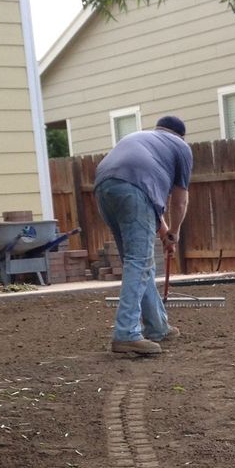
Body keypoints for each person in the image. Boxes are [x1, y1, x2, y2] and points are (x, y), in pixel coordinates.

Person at [93, 115, 193, 356]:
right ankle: (126, 333)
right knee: (139, 262)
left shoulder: (143, 140)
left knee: (137, 262)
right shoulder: (180, 147)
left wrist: (165, 234)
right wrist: (176, 233)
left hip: (104, 188)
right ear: (180, 136)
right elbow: (179, 201)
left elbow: (149, 202)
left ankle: (158, 326)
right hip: (134, 190)